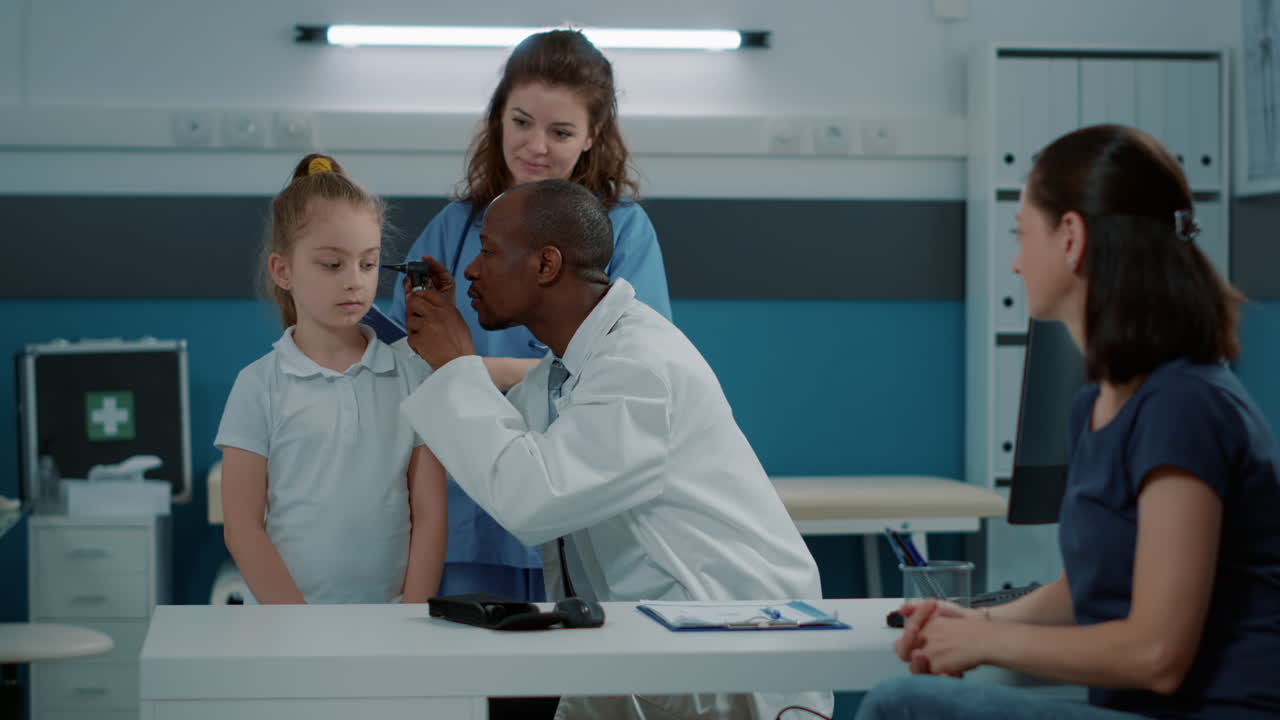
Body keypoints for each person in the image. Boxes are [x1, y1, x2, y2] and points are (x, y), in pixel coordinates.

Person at [858, 125, 1280, 719]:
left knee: (901, 705)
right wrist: (971, 622)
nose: (1014, 262)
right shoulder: (1098, 403)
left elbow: (1158, 653)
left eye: (1020, 233)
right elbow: (1086, 589)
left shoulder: (1185, 408)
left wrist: (985, 642)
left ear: (1071, 237)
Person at [398, 179, 832, 720]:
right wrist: (443, 354)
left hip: (729, 645)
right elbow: (505, 452)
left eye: (487, 251)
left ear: (546, 264)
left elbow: (534, 499)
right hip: (648, 646)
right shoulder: (564, 374)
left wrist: (457, 366)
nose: (470, 271)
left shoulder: (637, 365)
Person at [388, 29, 672, 602]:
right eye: (521, 122)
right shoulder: (455, 228)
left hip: (577, 492)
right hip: (466, 503)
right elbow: (403, 348)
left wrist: (471, 370)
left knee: (568, 678)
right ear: (497, 120)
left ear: (593, 135)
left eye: (561, 131)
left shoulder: (624, 232)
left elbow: (631, 370)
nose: (536, 145)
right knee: (472, 679)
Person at [216, 153, 448, 605]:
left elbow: (430, 514)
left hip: (390, 625)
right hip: (290, 630)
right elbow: (242, 527)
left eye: (368, 263)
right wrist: (299, 627)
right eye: (332, 264)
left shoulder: (412, 376)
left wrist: (412, 617)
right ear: (283, 270)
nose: (355, 282)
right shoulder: (259, 385)